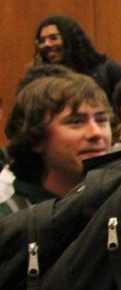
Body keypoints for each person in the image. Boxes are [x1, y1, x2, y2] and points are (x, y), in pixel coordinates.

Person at [1, 73, 112, 216]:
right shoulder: (9, 221)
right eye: (76, 122)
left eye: (101, 120)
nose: (96, 133)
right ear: (36, 139)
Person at [33, 15, 121, 102]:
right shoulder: (39, 78)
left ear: (71, 39)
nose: (46, 44)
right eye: (41, 41)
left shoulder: (108, 72)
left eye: (54, 38)